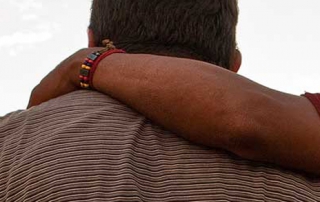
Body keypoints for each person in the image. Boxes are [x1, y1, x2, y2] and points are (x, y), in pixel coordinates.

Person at [1, 0, 320, 201]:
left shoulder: (8, 143)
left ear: (91, 40)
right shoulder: (302, 157)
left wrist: (86, 64)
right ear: (233, 64)